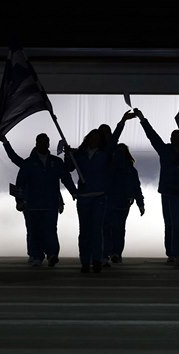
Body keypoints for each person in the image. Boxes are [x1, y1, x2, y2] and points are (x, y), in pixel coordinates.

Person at [67, 110, 135, 273]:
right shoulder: (80, 155)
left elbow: (115, 139)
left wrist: (122, 121)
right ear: (88, 139)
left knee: (97, 230)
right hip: (84, 197)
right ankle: (85, 261)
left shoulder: (104, 155)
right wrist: (69, 155)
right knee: (84, 231)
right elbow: (69, 168)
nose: (95, 140)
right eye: (93, 138)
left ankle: (96, 260)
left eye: (98, 138)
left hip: (99, 197)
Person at [0, 136, 66, 264]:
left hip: (37, 202)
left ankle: (39, 254)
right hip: (31, 202)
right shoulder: (28, 164)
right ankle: (38, 253)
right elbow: (14, 158)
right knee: (38, 229)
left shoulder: (31, 163)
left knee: (37, 229)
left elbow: (54, 185)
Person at [15, 133, 77, 268]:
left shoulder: (56, 162)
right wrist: (19, 200)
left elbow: (66, 178)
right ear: (36, 144)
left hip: (50, 203)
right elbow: (20, 182)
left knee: (50, 230)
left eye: (45, 142)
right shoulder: (28, 163)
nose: (43, 144)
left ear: (49, 144)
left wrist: (73, 191)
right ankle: (37, 256)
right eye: (41, 142)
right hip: (33, 203)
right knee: (35, 231)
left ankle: (52, 254)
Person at [134, 108, 179, 265]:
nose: (175, 139)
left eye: (177, 136)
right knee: (171, 224)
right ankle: (173, 253)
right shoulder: (168, 150)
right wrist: (143, 120)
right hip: (169, 193)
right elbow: (152, 136)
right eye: (174, 137)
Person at [104, 143, 145, 264]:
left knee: (115, 228)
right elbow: (136, 187)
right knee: (114, 228)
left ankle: (113, 252)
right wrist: (140, 203)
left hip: (120, 202)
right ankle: (112, 252)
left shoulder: (127, 170)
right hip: (115, 201)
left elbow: (136, 187)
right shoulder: (127, 169)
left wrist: (140, 203)